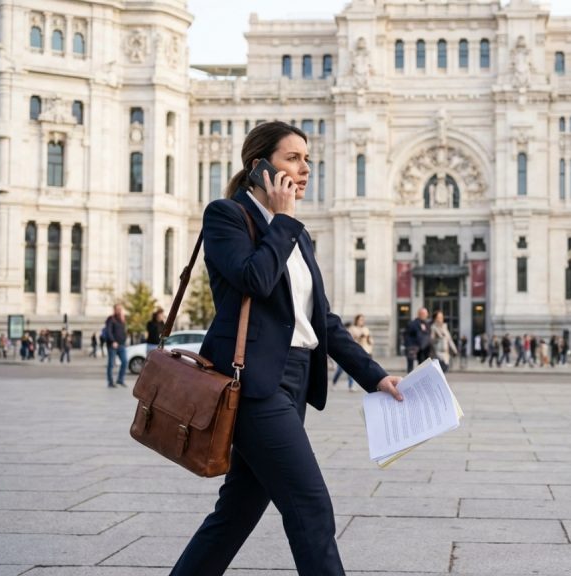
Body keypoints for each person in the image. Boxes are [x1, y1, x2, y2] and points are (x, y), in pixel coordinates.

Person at [170, 120, 404, 576]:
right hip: (254, 383)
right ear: (260, 167)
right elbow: (253, 279)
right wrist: (282, 220)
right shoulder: (227, 216)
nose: (305, 168)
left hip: (294, 381)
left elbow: (322, 322)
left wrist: (374, 376)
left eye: (308, 159)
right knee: (311, 506)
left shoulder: (296, 234)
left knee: (235, 514)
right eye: (292, 159)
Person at [332, 314, 372, 391]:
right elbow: (348, 339)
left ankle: (351, 385)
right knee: (340, 370)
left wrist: (368, 338)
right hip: (349, 351)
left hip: (361, 352)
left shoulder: (366, 329)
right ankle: (334, 382)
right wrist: (359, 337)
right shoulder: (352, 328)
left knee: (353, 369)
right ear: (356, 320)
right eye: (360, 319)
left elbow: (369, 341)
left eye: (363, 320)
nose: (362, 321)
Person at [104, 304, 128, 388]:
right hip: (112, 345)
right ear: (114, 310)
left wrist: (125, 339)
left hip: (121, 345)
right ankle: (110, 382)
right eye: (117, 309)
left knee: (125, 362)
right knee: (111, 364)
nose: (119, 310)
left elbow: (124, 331)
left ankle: (120, 380)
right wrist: (113, 341)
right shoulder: (111, 319)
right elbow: (108, 331)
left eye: (120, 309)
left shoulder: (122, 319)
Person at [404, 307, 430, 373]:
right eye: (424, 314)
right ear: (420, 314)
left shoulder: (426, 324)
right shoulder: (413, 323)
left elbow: (427, 334)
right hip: (412, 347)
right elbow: (407, 334)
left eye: (426, 314)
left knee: (421, 365)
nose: (426, 315)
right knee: (411, 366)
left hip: (422, 348)